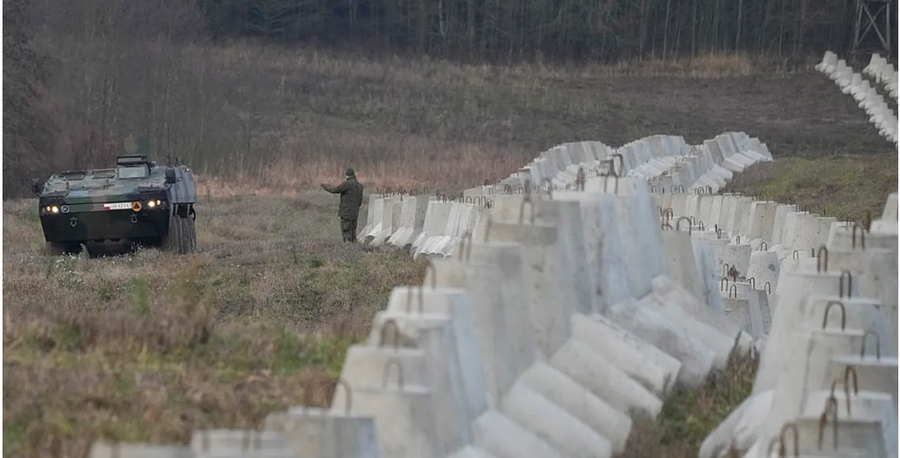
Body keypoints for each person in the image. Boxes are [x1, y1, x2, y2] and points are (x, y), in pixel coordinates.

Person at [321, 168, 365, 242]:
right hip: (355, 214)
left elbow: (335, 190)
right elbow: (360, 202)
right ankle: (354, 250)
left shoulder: (347, 184)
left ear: (347, 175)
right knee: (353, 234)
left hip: (346, 213)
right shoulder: (360, 186)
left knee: (346, 234)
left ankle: (347, 250)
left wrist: (325, 186)